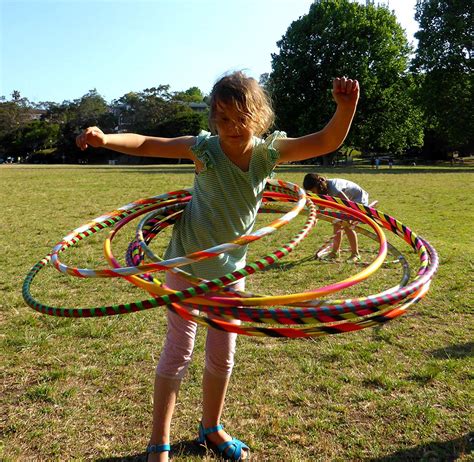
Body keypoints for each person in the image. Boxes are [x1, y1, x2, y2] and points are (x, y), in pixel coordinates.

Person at [76, 71, 359, 462]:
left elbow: (325, 141)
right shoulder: (204, 149)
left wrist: (345, 108)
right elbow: (148, 142)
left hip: (230, 273)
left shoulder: (268, 153)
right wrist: (106, 139)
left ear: (258, 116)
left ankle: (211, 426)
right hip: (185, 267)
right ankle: (159, 441)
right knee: (178, 351)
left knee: (222, 356)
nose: (230, 127)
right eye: (222, 118)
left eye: (239, 117)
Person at [303, 173, 369, 263]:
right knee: (336, 223)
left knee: (346, 225)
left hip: (358, 200)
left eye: (313, 191)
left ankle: (355, 254)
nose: (313, 193)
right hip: (348, 202)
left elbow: (347, 204)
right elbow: (322, 206)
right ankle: (334, 252)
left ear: (317, 186)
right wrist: (315, 218)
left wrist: (346, 217)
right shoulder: (323, 189)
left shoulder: (334, 188)